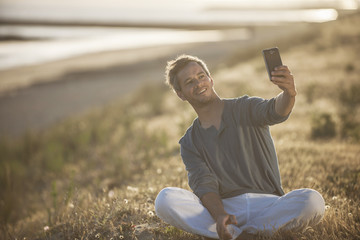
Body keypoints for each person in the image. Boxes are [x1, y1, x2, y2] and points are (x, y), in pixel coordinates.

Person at [155, 54, 325, 240]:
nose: (198, 83)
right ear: (181, 94)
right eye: (189, 82)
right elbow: (204, 184)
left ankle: (242, 235)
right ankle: (236, 230)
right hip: (226, 208)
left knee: (313, 201)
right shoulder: (189, 142)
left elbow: (275, 111)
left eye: (201, 76)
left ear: (211, 79)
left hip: (268, 205)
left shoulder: (245, 106)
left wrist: (289, 93)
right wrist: (220, 215)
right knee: (165, 199)